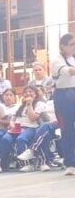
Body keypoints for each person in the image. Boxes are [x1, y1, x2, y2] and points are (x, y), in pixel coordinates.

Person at [51, 32, 75, 176]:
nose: (74, 47)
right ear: (63, 46)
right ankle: (70, 163)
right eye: (71, 45)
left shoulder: (72, 58)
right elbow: (69, 72)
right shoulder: (57, 61)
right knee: (67, 130)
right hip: (64, 96)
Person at [12, 87, 51, 173]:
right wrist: (12, 124)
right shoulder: (20, 106)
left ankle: (43, 162)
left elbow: (33, 118)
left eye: (30, 91)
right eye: (25, 92)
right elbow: (13, 118)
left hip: (33, 127)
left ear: (35, 94)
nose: (28, 93)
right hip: (19, 128)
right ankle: (26, 164)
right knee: (10, 138)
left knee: (23, 138)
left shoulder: (39, 104)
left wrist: (29, 104)